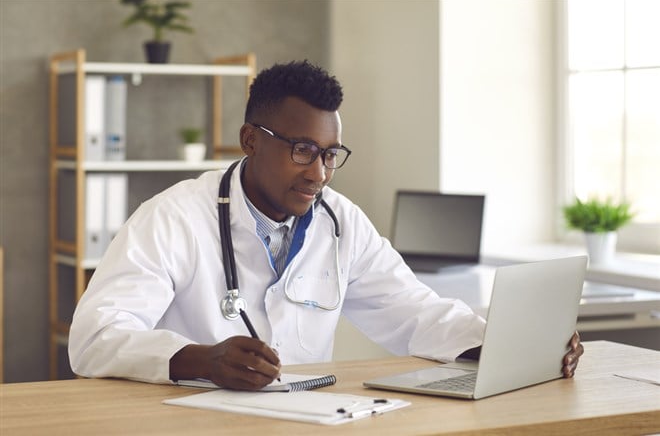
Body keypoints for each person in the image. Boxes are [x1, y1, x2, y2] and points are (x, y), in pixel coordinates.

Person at [69, 61, 583, 390]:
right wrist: (198, 359)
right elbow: (94, 338)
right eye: (302, 151)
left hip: (300, 421)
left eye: (330, 154)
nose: (318, 172)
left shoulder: (340, 221)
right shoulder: (172, 218)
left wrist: (518, 342)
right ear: (250, 139)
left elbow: (415, 312)